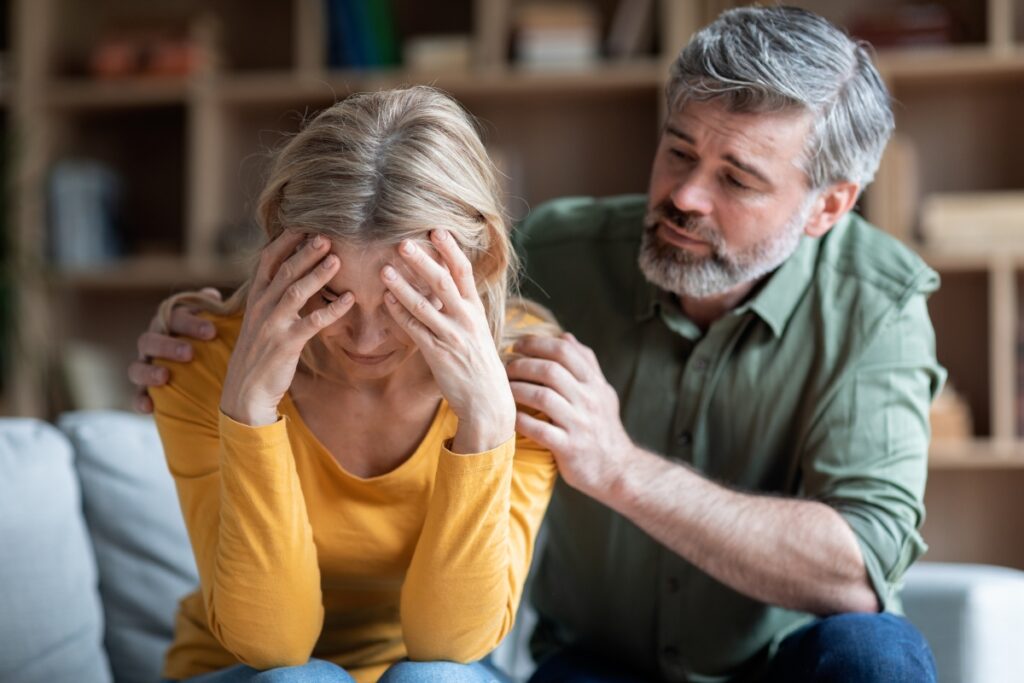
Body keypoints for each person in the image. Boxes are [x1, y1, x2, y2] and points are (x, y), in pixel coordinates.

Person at [134, 7, 945, 682]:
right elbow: (391, 228)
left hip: (777, 659)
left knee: (875, 652)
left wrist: (613, 464)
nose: (685, 195)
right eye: (677, 150)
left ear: (828, 205)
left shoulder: (878, 306)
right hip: (594, 664)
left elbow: (862, 567)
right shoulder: (558, 249)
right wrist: (224, 332)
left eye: (737, 179)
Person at [140, 86, 558, 683]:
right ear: (280, 259)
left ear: (481, 262)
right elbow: (272, 644)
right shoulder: (200, 358)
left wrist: (486, 423)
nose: (365, 341)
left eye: (403, 303)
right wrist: (249, 409)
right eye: (331, 297)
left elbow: (452, 642)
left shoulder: (525, 371)